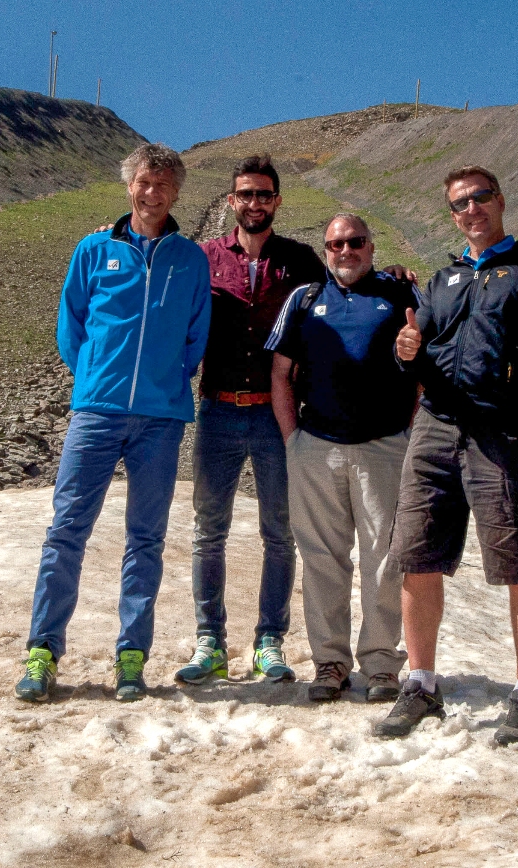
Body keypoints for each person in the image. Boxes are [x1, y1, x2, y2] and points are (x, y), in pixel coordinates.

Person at [375, 164, 518, 746]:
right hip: (436, 429)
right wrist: (406, 351)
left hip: (504, 433)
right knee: (415, 554)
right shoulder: (443, 281)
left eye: (480, 198)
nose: (472, 210)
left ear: (501, 200)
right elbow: (420, 356)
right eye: (460, 204)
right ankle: (419, 685)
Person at [15, 142, 211, 704]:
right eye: (144, 183)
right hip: (96, 413)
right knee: (66, 532)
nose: (152, 194)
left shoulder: (189, 259)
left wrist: (167, 377)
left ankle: (132, 656)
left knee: (145, 540)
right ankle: (43, 651)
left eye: (163, 185)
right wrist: (94, 376)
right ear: (130, 186)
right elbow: (70, 324)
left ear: (176, 193)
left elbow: (196, 335)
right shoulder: (94, 249)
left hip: (160, 418)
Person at [174, 155, 325, 686]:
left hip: (276, 415)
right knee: (207, 532)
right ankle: (209, 640)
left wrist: (396, 277)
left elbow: (346, 296)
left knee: (279, 534)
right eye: (246, 194)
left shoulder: (303, 262)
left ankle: (269, 642)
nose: (255, 203)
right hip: (216, 410)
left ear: (277, 201)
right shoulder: (203, 257)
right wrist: (116, 236)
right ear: (231, 200)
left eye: (264, 194)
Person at [266, 214, 422, 703]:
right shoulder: (305, 299)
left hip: (383, 447)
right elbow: (280, 372)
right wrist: (293, 440)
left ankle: (380, 664)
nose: (346, 251)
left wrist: (407, 432)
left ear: (371, 247)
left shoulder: (400, 295)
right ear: (326, 251)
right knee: (321, 559)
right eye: (336, 244)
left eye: (355, 242)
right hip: (316, 448)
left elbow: (421, 370)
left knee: (384, 559)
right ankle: (329, 663)